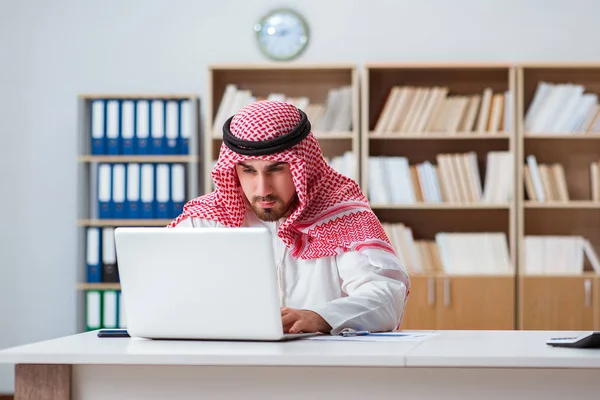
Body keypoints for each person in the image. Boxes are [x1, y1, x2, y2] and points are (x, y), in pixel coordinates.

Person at [168, 100, 410, 335]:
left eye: (276, 169)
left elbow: (387, 298)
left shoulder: (343, 217)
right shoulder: (202, 222)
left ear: (303, 165)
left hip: (321, 369)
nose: (262, 189)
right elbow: (161, 292)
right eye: (248, 170)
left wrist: (320, 317)